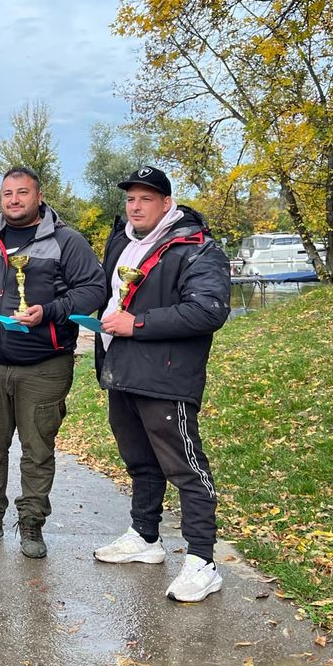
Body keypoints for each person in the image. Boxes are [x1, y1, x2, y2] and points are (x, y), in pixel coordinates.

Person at [91, 166, 230, 602]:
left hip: (167, 377)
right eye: (131, 199)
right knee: (140, 462)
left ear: (166, 204)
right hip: (122, 370)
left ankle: (203, 562)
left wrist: (139, 323)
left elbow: (209, 310)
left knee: (185, 467)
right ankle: (145, 537)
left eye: (146, 199)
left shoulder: (197, 249)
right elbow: (109, 297)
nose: (135, 206)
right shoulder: (123, 242)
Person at [0, 167, 107, 558]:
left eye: (22, 192)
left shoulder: (66, 241)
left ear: (39, 197)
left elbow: (94, 289)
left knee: (37, 450)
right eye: (7, 193)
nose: (14, 200)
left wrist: (51, 311)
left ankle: (32, 524)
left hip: (45, 364)